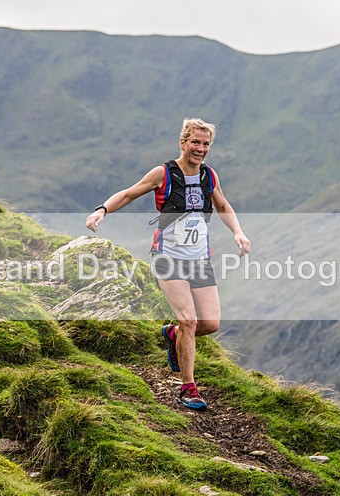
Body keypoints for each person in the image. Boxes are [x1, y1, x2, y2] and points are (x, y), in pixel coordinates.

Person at [85, 118, 250, 411]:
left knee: (209, 324)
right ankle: (188, 388)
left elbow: (223, 206)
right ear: (183, 142)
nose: (200, 149)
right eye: (195, 142)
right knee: (189, 320)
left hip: (199, 259)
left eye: (205, 144)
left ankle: (173, 335)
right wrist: (102, 211)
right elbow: (129, 193)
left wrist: (238, 232)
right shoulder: (164, 173)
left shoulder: (209, 176)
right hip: (168, 257)